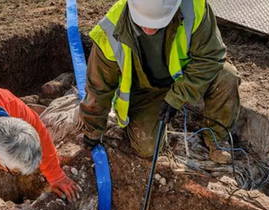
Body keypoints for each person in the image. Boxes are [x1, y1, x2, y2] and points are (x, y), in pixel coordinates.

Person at [80, 0, 240, 163]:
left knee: (227, 76)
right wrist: (93, 130)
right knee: (147, 148)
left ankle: (217, 138)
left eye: (157, 23)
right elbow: (99, 86)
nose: (149, 30)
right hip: (146, 90)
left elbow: (211, 57)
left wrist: (177, 97)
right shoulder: (110, 28)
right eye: (142, 22)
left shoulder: (194, 8)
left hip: (185, 75)